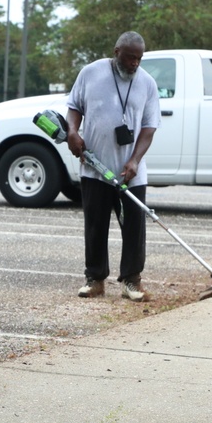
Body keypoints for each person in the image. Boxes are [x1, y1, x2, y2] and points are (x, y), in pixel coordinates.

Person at [65, 31, 160, 302]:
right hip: (95, 166)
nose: (135, 64)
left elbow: (149, 127)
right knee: (95, 225)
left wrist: (134, 161)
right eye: (130, 57)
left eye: (139, 59)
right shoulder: (90, 73)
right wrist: (72, 131)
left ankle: (132, 280)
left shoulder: (147, 83)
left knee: (134, 226)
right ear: (117, 52)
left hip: (131, 171)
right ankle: (95, 279)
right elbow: (74, 106)